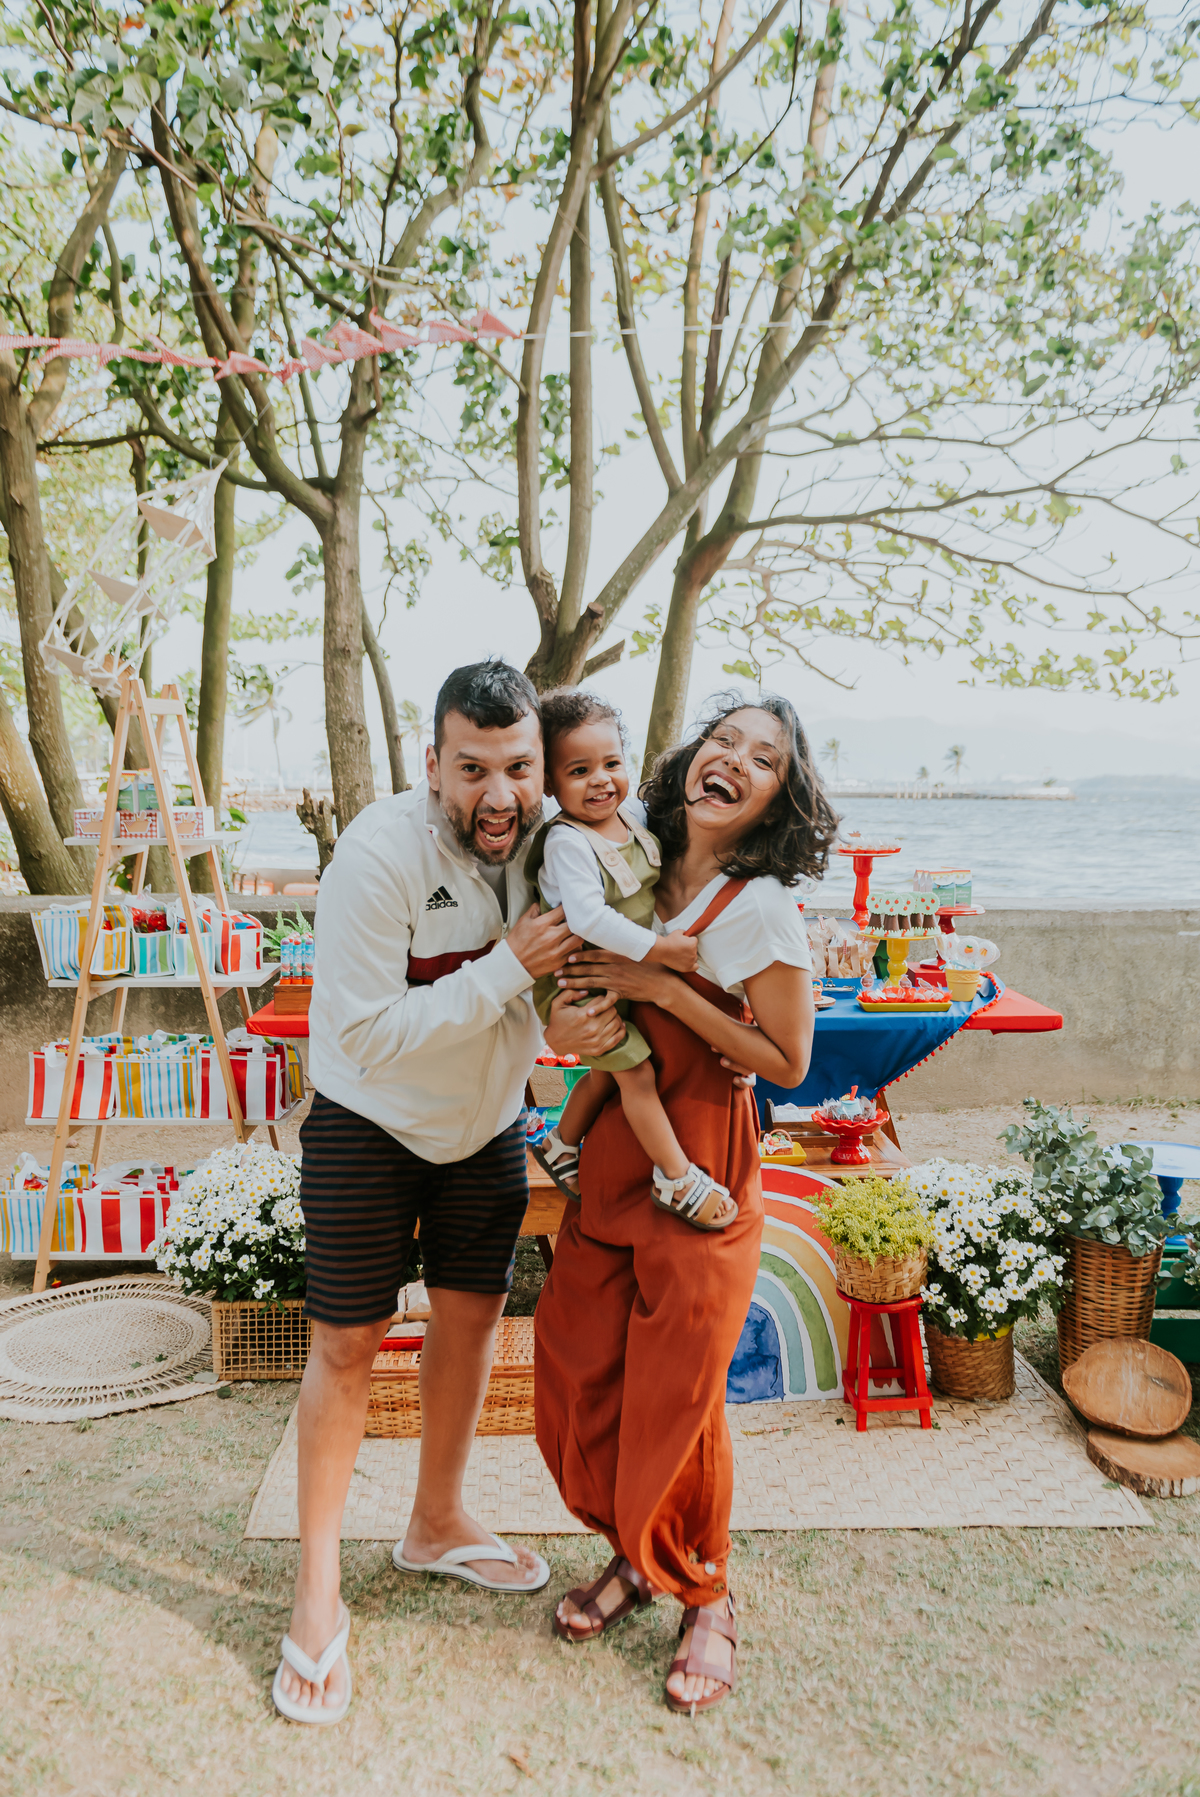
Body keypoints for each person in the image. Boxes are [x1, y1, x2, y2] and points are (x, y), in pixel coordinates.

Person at [273, 659, 623, 1725]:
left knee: (471, 1328)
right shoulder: (376, 857)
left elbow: (566, 996)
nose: (499, 794)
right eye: (472, 770)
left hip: (481, 1136)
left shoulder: (552, 853)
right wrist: (509, 971)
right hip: (366, 1130)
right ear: (433, 766)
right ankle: (315, 1590)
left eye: (518, 767)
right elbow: (370, 1034)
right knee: (346, 1346)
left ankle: (435, 1521)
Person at [535, 694, 839, 1716]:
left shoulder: (762, 909)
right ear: (691, 757)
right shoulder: (630, 859)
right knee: (582, 1366)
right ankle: (636, 1552)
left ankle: (703, 1592)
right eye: (724, 742)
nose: (734, 762)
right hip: (615, 1159)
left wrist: (665, 991)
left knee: (683, 1394)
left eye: (761, 760)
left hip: (701, 1164)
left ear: (776, 800)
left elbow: (790, 1062)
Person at [528, 688, 734, 1230]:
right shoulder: (567, 843)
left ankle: (559, 1142)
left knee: (606, 1074)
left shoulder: (633, 815)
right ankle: (675, 1178)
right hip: (583, 979)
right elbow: (589, 919)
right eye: (579, 770)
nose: (601, 780)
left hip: (618, 972)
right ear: (549, 782)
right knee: (636, 1075)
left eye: (611, 763)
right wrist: (662, 950)